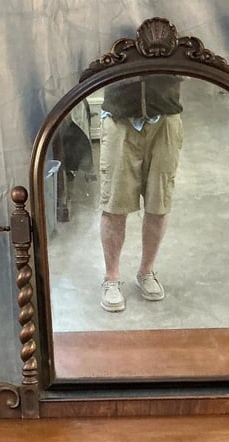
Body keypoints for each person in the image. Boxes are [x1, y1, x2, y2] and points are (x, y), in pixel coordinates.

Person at [97, 75, 183, 312]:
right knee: (114, 203)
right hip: (119, 115)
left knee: (159, 202)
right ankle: (111, 278)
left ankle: (146, 271)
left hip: (165, 112)